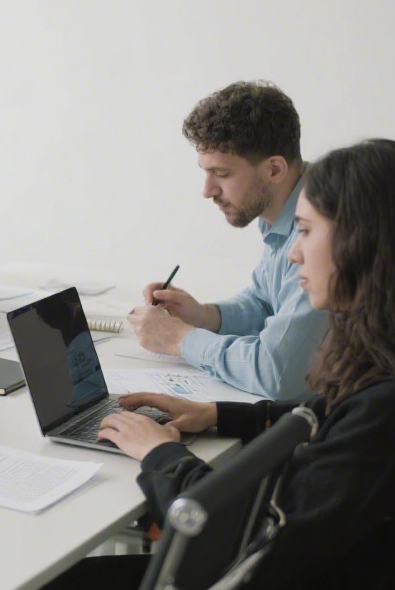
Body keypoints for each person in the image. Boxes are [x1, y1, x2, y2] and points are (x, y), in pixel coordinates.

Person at [28, 140, 395, 590]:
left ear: (363, 243)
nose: (295, 254)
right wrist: (221, 414)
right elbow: (335, 421)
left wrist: (160, 455)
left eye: (304, 232)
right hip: (335, 577)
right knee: (62, 589)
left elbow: (244, 535)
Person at [128, 81, 327, 402]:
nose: (207, 191)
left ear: (274, 169)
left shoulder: (323, 226)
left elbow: (279, 373)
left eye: (221, 174)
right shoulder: (283, 211)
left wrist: (180, 339)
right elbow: (266, 301)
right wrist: (206, 316)